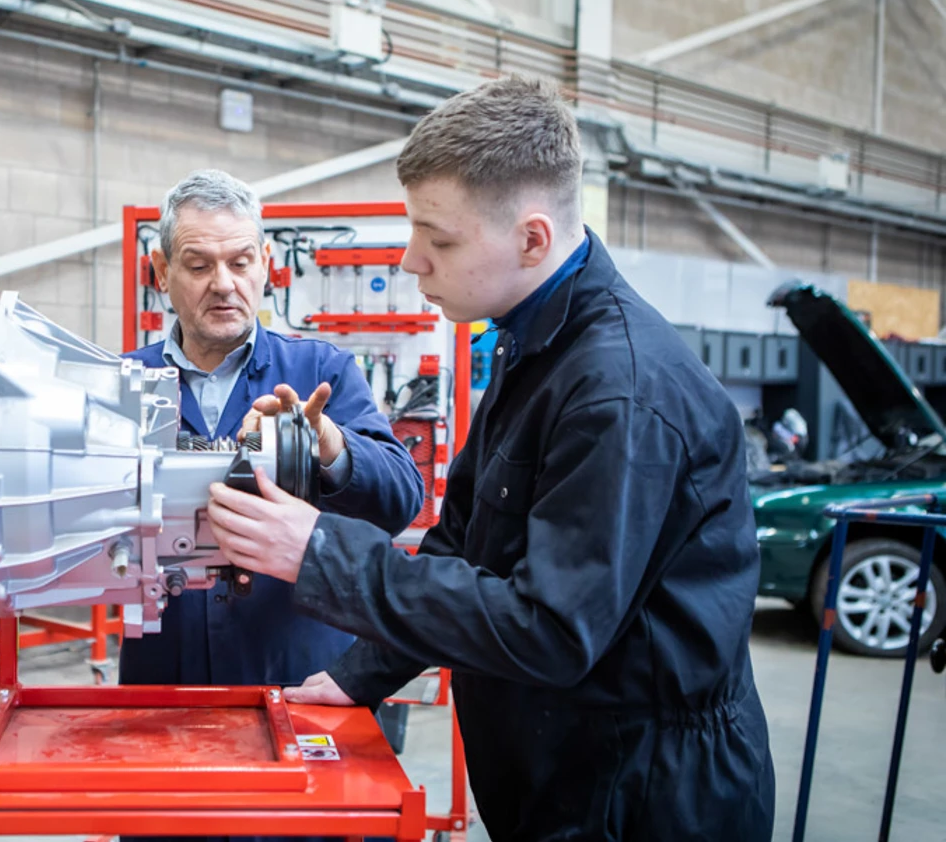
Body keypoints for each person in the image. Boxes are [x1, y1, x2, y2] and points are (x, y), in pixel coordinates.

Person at [203, 78, 776, 840]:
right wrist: (358, 675)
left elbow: (550, 627)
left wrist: (320, 552)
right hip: (561, 766)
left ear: (532, 239)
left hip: (640, 794)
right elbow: (464, 548)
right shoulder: (534, 343)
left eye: (439, 239)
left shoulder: (618, 393)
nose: (413, 261)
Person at [119, 168, 425, 689]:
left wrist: (330, 445)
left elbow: (400, 500)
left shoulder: (320, 372)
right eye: (198, 265)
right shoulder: (121, 384)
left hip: (301, 680)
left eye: (240, 263)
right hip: (163, 685)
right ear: (161, 270)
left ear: (265, 264)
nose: (223, 284)